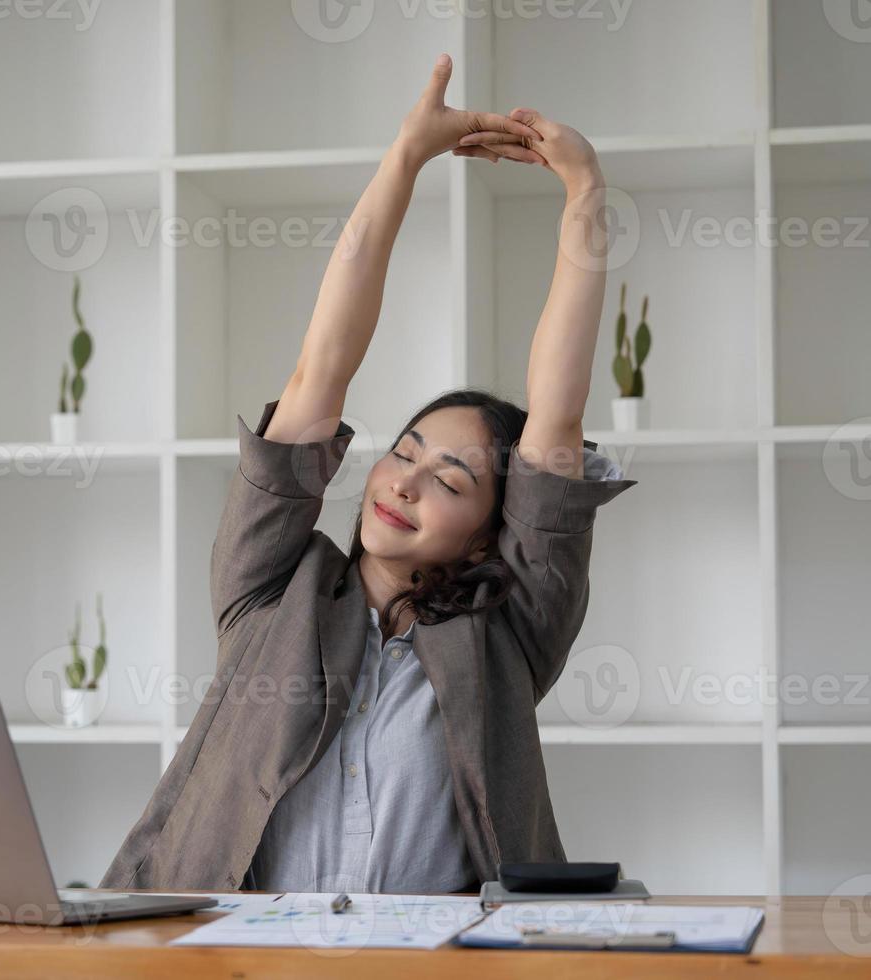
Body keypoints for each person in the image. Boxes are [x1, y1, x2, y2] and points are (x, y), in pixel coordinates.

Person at [100, 53, 639, 894]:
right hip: (225, 955)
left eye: (453, 482)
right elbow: (321, 368)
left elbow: (557, 416)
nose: (406, 482)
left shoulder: (512, 631)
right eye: (406, 451)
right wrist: (404, 158)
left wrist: (585, 191)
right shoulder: (273, 592)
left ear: (497, 532)